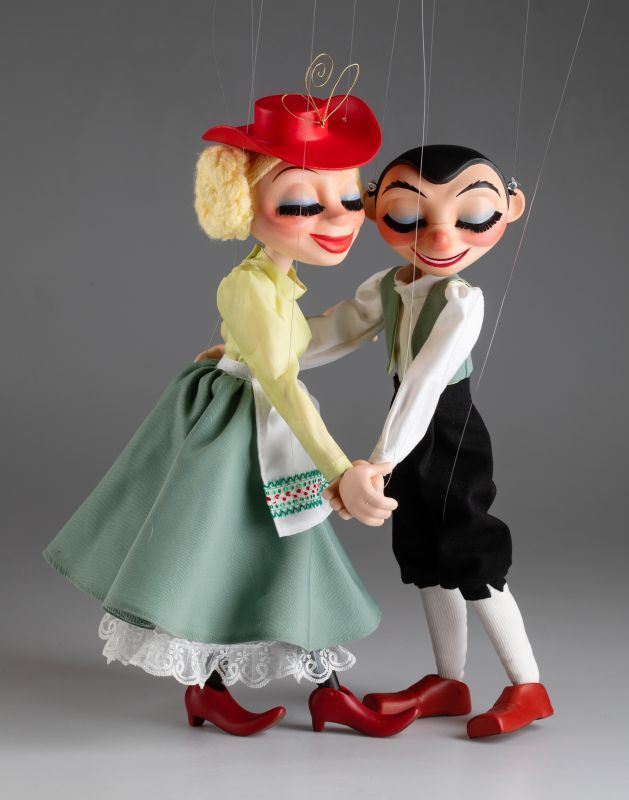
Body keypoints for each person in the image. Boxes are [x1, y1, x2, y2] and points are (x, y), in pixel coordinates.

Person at [42, 85, 415, 738]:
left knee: (287, 549)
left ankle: (317, 691)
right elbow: (281, 379)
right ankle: (217, 689)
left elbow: (300, 343)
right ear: (242, 205)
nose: (338, 219)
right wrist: (340, 470)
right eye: (301, 204)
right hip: (242, 434)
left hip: (261, 423)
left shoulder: (275, 281)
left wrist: (379, 303)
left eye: (350, 199)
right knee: (217, 552)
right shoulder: (246, 284)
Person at [305, 144, 554, 738]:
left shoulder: (463, 301)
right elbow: (334, 330)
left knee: (472, 553)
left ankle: (529, 685)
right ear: (373, 208)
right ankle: (450, 680)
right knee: (424, 553)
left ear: (511, 208)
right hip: (409, 430)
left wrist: (380, 460)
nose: (442, 235)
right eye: (408, 216)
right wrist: (255, 353)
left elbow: (425, 381)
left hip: (449, 430)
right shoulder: (390, 285)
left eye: (473, 216)